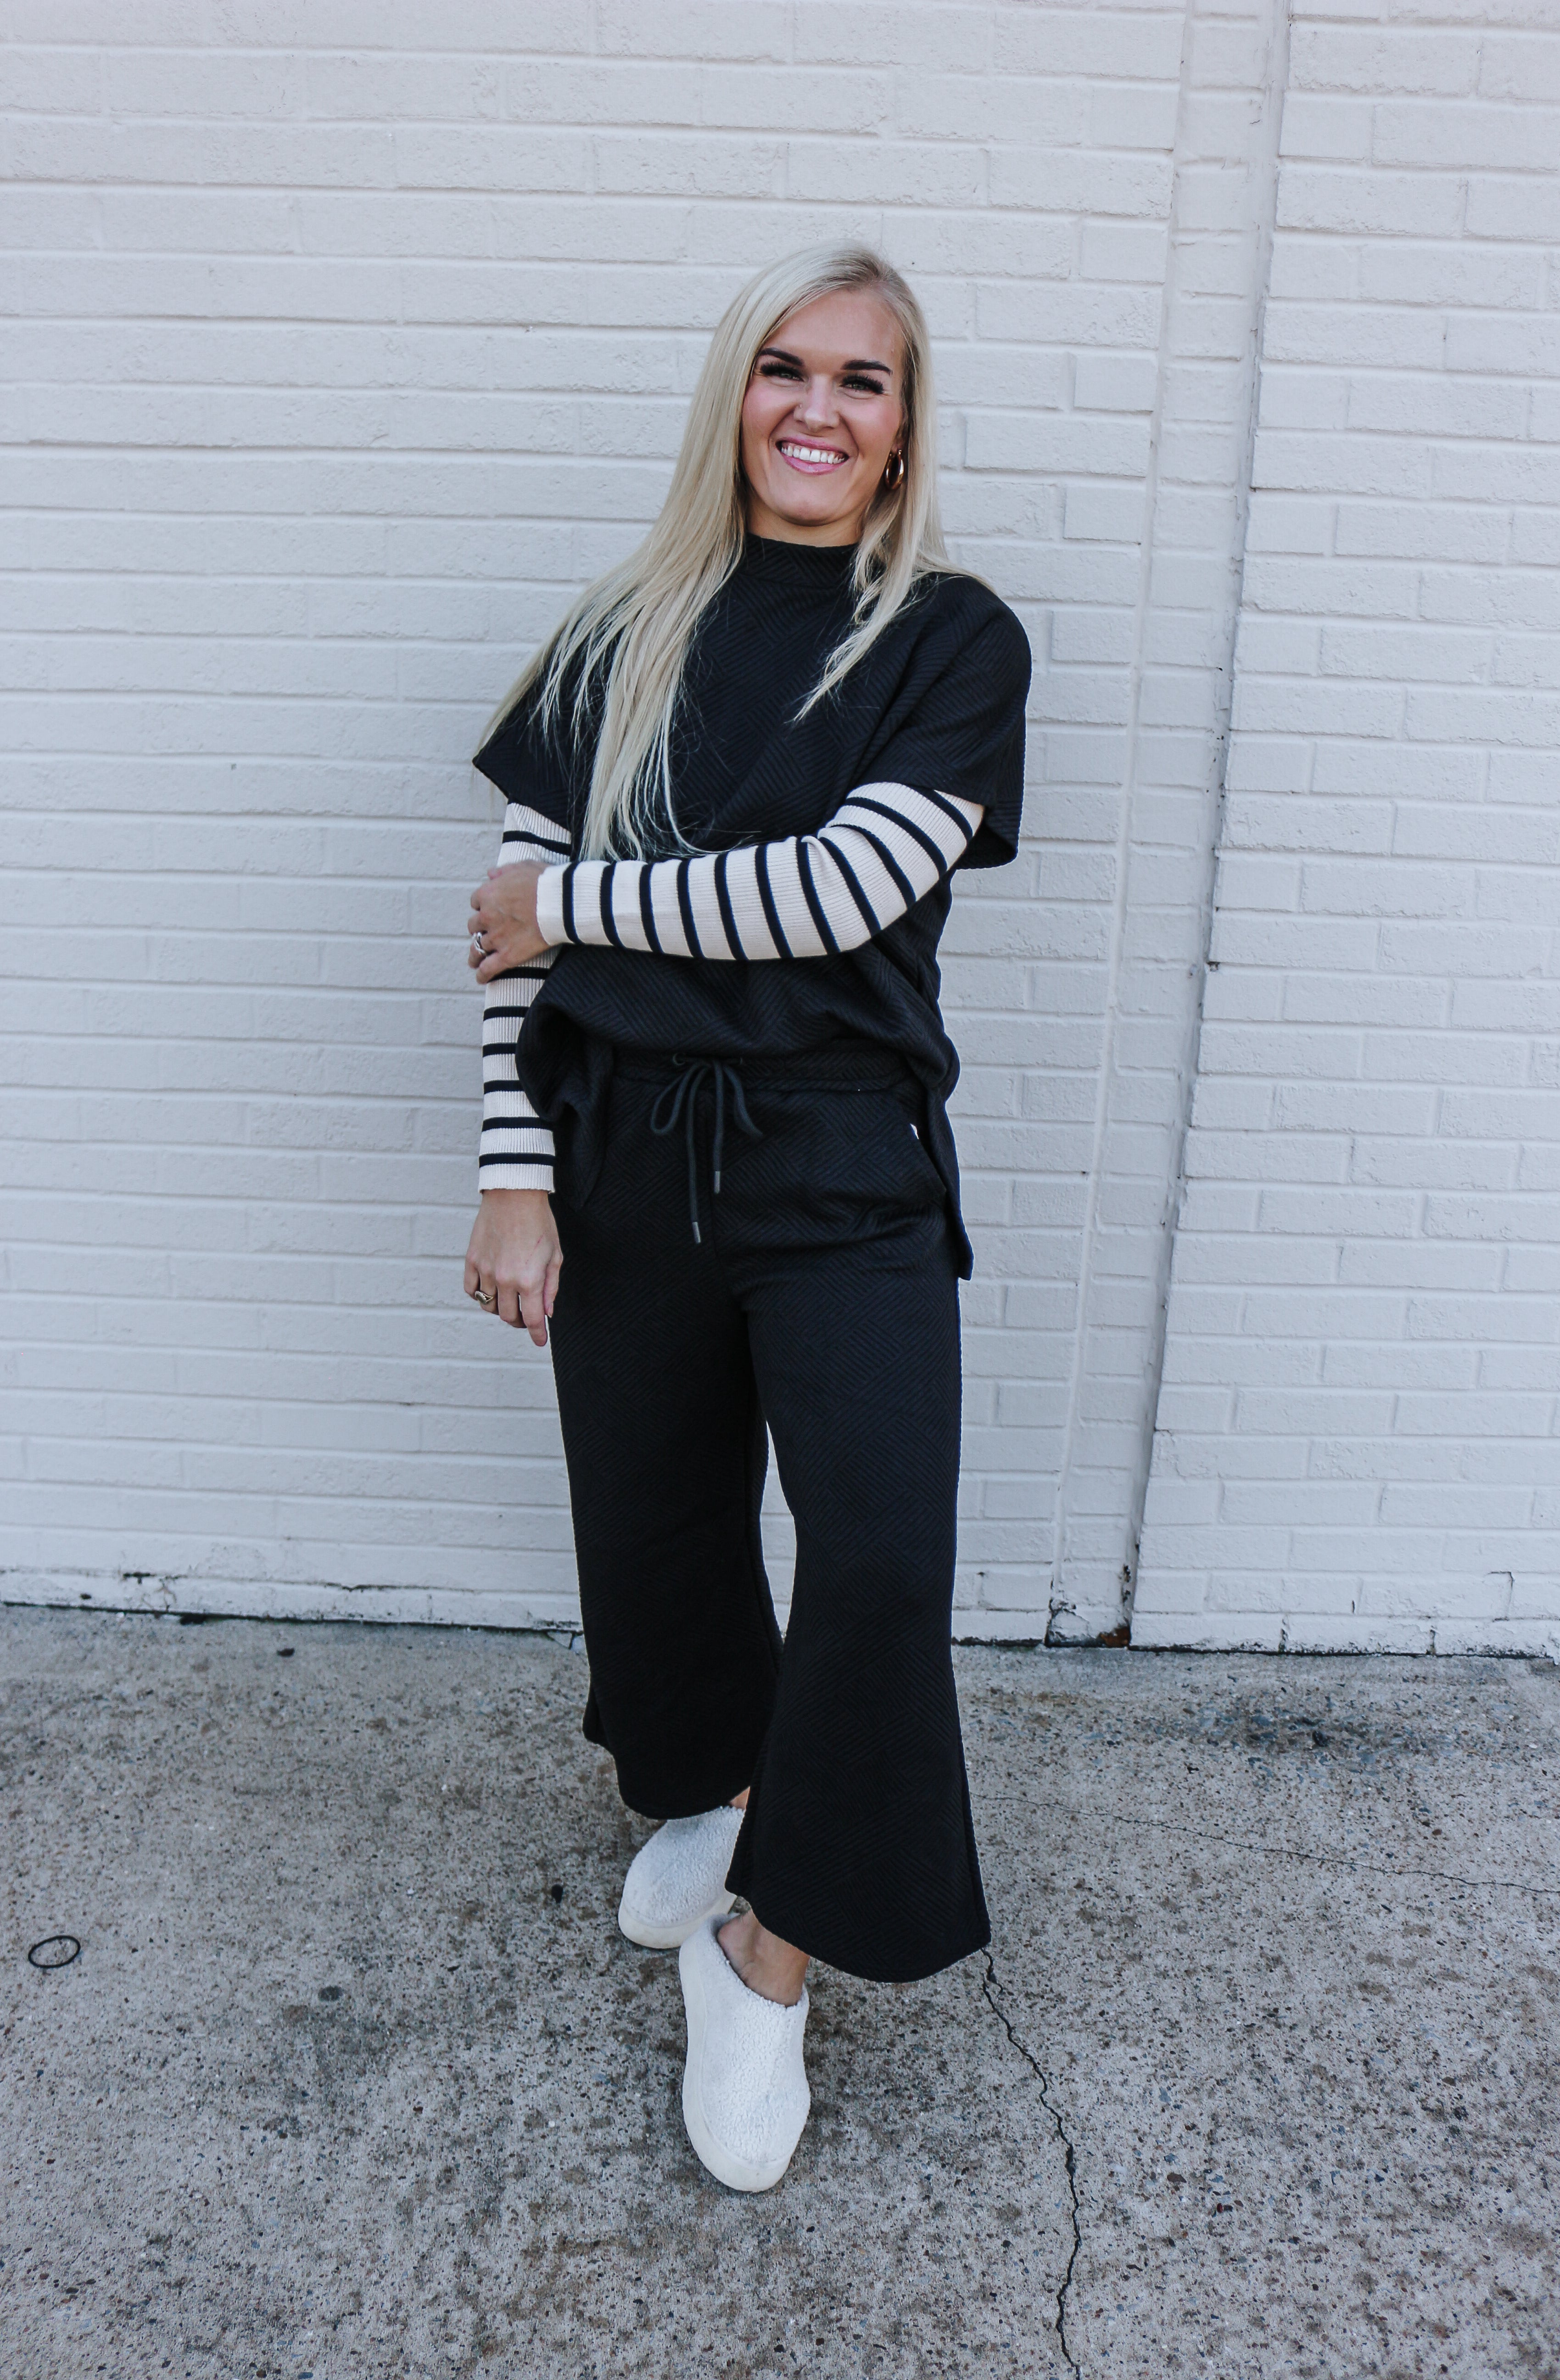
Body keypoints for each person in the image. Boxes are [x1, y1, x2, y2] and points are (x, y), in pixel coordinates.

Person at [462, 243, 1030, 2194]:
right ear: (736, 397)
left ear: (904, 427)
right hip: (622, 1152)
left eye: (864, 380)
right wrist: (516, 1176)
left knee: (876, 1557)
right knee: (659, 1525)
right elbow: (509, 960)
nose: (819, 407)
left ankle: (766, 1956)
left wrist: (571, 903)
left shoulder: (950, 640)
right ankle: (712, 1798)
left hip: (841, 1155)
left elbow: (838, 893)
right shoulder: (617, 632)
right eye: (786, 368)